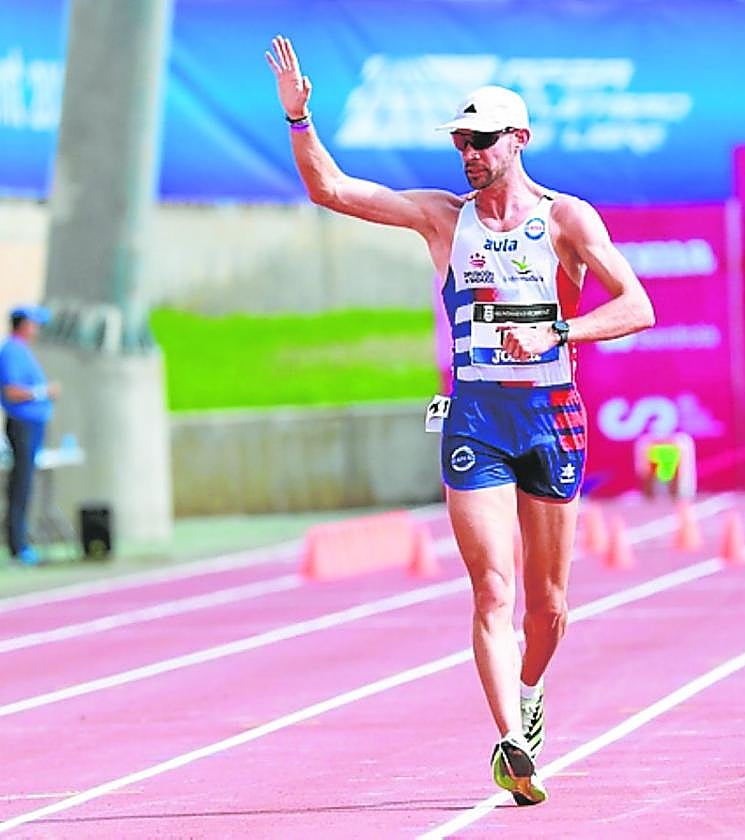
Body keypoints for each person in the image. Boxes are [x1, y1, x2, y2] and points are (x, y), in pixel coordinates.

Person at [266, 37, 654, 804]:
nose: (467, 153)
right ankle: (510, 744)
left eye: (480, 141)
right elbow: (333, 190)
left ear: (519, 140)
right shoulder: (444, 220)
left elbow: (638, 305)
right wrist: (300, 119)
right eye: (458, 141)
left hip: (552, 417)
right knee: (493, 591)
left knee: (549, 608)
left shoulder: (567, 220)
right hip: (475, 418)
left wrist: (561, 333)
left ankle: (531, 693)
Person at [0, 305, 59, 566]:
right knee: (20, 485)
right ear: (23, 324)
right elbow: (11, 391)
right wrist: (42, 392)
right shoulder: (11, 351)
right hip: (22, 425)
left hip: (32, 425)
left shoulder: (22, 351)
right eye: (33, 323)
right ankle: (17, 545)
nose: (36, 328)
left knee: (26, 484)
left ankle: (21, 541)